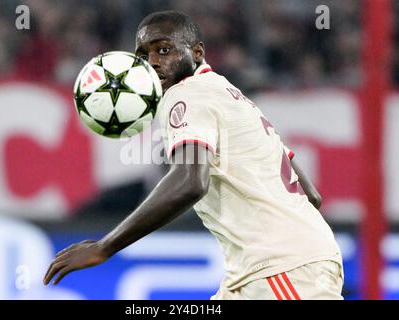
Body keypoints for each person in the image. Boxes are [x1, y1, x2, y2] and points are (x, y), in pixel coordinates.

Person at [43, 10, 344, 300]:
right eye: (142, 56)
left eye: (163, 50)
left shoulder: (187, 93)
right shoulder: (228, 93)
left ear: (197, 53)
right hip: (268, 268)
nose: (152, 62)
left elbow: (190, 181)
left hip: (280, 268)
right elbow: (311, 195)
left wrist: (105, 247)